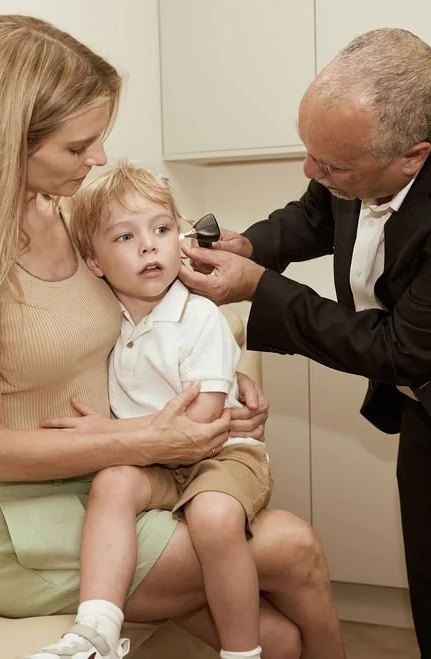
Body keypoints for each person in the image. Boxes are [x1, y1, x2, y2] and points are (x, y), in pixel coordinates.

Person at [0, 14, 344, 659]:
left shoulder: (68, 215)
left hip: (114, 479)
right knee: (292, 549)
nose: (99, 159)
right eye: (77, 146)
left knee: (278, 636)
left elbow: (136, 331)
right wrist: (151, 438)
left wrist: (224, 382)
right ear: (9, 141)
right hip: (24, 523)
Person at [179, 28, 431, 657]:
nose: (314, 172)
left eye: (332, 166)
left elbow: (400, 348)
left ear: (413, 157)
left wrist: (260, 288)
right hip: (427, 408)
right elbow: (317, 211)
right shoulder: (357, 146)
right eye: (311, 154)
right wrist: (251, 246)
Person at [22, 162, 272, 659]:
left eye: (161, 230)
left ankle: (242, 653)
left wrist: (108, 432)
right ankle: (95, 630)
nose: (148, 246)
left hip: (220, 455)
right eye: (124, 237)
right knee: (112, 482)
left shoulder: (197, 315)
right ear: (94, 262)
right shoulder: (103, 314)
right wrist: (118, 441)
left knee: (214, 516)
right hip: (153, 460)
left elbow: (201, 422)